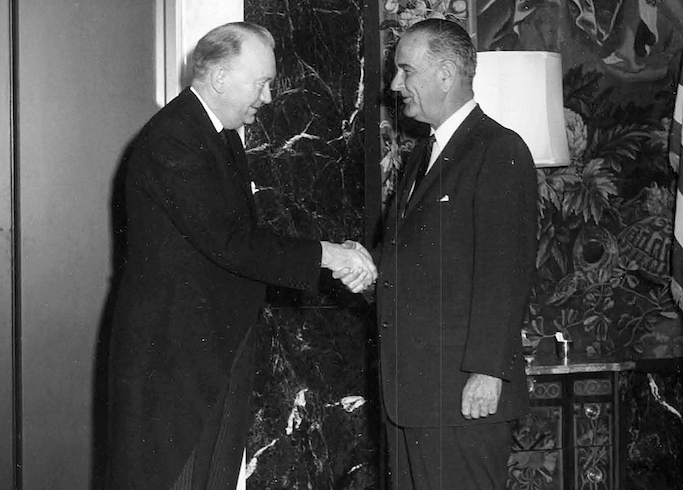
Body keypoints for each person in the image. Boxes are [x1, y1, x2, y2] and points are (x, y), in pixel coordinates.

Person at [105, 21, 376, 490]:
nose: (269, 98)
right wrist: (330, 255)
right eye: (262, 83)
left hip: (211, 346)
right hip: (175, 359)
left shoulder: (218, 133)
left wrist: (329, 252)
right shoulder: (174, 138)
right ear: (220, 77)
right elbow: (229, 242)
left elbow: (240, 239)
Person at [371, 18, 537, 490]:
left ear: (445, 74)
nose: (394, 84)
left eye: (405, 70)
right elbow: (416, 257)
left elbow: (505, 271)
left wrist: (487, 370)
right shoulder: (424, 156)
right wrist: (358, 260)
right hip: (413, 397)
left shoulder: (498, 150)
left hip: (463, 397)